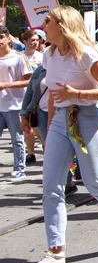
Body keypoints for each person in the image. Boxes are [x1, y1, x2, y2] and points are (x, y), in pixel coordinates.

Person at [22, 6, 98, 263]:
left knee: (95, 182)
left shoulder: (86, 53)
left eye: (47, 21)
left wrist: (78, 93)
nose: (43, 25)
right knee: (51, 186)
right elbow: (52, 93)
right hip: (61, 119)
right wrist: (49, 130)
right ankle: (55, 252)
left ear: (62, 25)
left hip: (87, 117)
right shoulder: (49, 54)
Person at [0, 25, 32, 181]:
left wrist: (6, 85)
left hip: (14, 105)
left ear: (7, 38)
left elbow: (29, 81)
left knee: (17, 139)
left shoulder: (18, 57)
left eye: (1, 37)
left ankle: (19, 169)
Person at [20, 30, 44, 164]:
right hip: (23, 96)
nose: (35, 43)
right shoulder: (20, 57)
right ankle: (31, 153)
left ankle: (44, 144)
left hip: (38, 98)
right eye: (32, 41)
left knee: (37, 125)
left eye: (37, 40)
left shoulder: (42, 57)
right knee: (27, 127)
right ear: (25, 42)